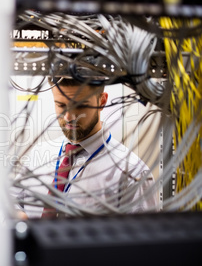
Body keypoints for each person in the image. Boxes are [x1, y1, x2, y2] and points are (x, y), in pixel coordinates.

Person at [15, 78, 158, 218]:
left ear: (101, 101)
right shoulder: (38, 154)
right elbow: (9, 204)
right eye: (61, 105)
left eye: (80, 106)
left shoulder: (132, 172)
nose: (69, 117)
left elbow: (143, 237)